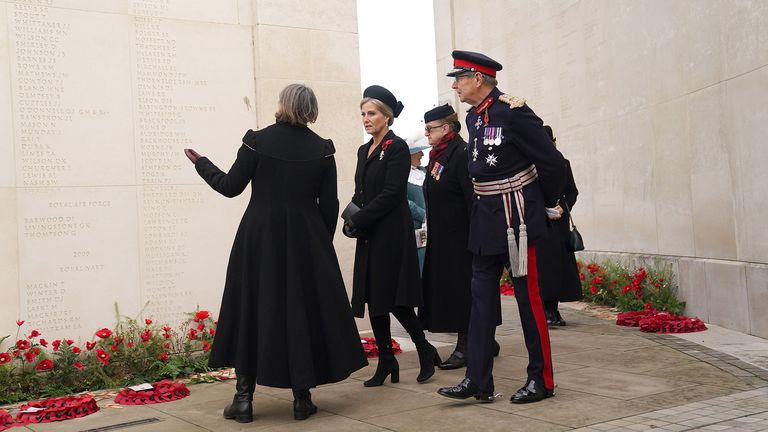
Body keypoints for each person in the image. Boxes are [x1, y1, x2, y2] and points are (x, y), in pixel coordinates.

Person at [183, 84, 368, 423]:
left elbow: (229, 187)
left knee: (252, 307)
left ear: (283, 105)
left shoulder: (256, 140)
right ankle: (302, 398)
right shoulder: (323, 149)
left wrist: (202, 164)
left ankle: (243, 400)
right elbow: (329, 206)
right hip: (307, 240)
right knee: (302, 310)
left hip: (259, 237)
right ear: (311, 108)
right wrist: (320, 245)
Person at [436, 51, 565, 404]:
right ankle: (478, 379)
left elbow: (552, 162)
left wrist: (547, 204)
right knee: (479, 302)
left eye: (459, 77)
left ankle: (542, 380)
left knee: (529, 302)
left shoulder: (514, 112)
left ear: (478, 79)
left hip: (517, 218)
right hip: (486, 218)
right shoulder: (475, 118)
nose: (455, 84)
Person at [343, 85, 440, 387]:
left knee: (395, 299)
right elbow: (363, 192)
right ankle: (387, 362)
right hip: (370, 232)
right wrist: (351, 218)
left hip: (391, 234)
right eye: (363, 114)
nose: (366, 119)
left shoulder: (396, 147)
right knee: (375, 298)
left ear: (386, 117)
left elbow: (391, 194)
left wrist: (361, 217)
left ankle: (424, 349)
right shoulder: (364, 150)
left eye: (371, 113)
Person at [419, 104, 501, 370]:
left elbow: (472, 200)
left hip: (463, 239)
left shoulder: (462, 153)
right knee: (453, 293)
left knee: (465, 294)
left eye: (430, 128)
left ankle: (467, 346)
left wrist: (475, 239)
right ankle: (486, 339)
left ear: (446, 128)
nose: (426, 133)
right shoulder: (440, 154)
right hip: (444, 239)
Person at [538, 125, 581, 326]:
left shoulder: (563, 163)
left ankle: (553, 309)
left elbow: (572, 191)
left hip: (559, 224)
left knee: (559, 268)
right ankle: (546, 309)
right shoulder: (530, 165)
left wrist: (563, 207)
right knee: (544, 268)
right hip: (539, 223)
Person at [405, 132, 429, 273]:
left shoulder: (424, 172)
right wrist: (423, 215)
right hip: (415, 230)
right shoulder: (401, 176)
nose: (422, 154)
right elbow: (404, 201)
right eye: (418, 151)